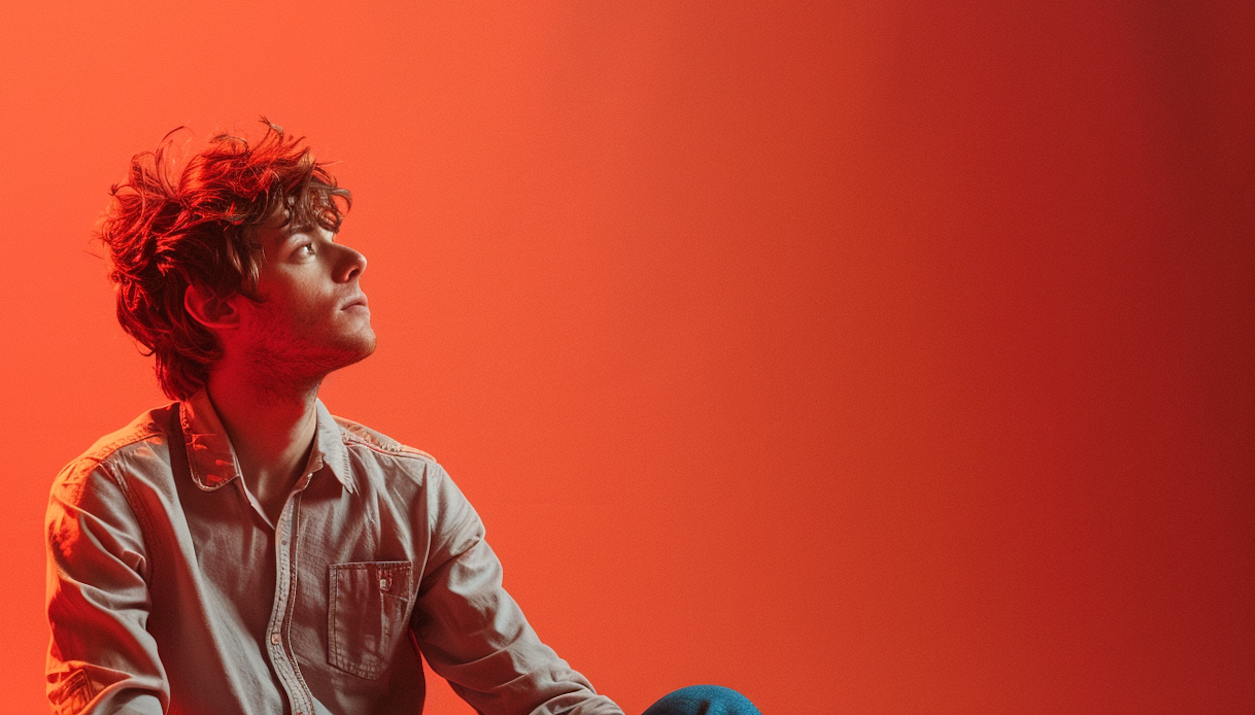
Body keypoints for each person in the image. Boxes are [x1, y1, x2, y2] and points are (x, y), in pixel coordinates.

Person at [44, 121, 760, 715]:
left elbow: (535, 694)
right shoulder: (114, 495)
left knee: (709, 710)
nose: (354, 260)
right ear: (215, 305)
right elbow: (112, 703)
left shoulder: (413, 493)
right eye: (304, 250)